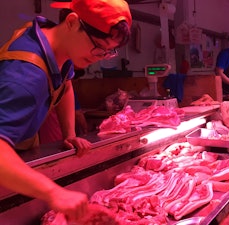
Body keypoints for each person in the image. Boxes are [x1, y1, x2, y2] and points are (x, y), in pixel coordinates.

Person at [0, 0, 132, 221]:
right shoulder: (25, 77)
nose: (99, 57)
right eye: (98, 47)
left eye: (108, 52)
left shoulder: (53, 43)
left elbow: (66, 83)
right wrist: (53, 192)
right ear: (72, 22)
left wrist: (69, 133)